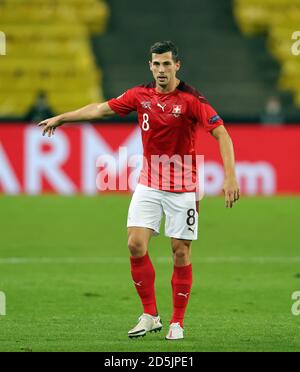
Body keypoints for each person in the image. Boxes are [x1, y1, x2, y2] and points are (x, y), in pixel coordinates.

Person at [38, 41, 240, 340]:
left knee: (180, 253)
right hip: (149, 183)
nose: (161, 70)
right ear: (150, 66)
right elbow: (99, 109)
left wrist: (230, 177)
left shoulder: (191, 99)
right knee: (135, 244)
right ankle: (150, 315)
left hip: (184, 187)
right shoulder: (139, 95)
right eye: (156, 64)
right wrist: (62, 117)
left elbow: (221, 133)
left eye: (167, 64)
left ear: (177, 66)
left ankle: (177, 322)